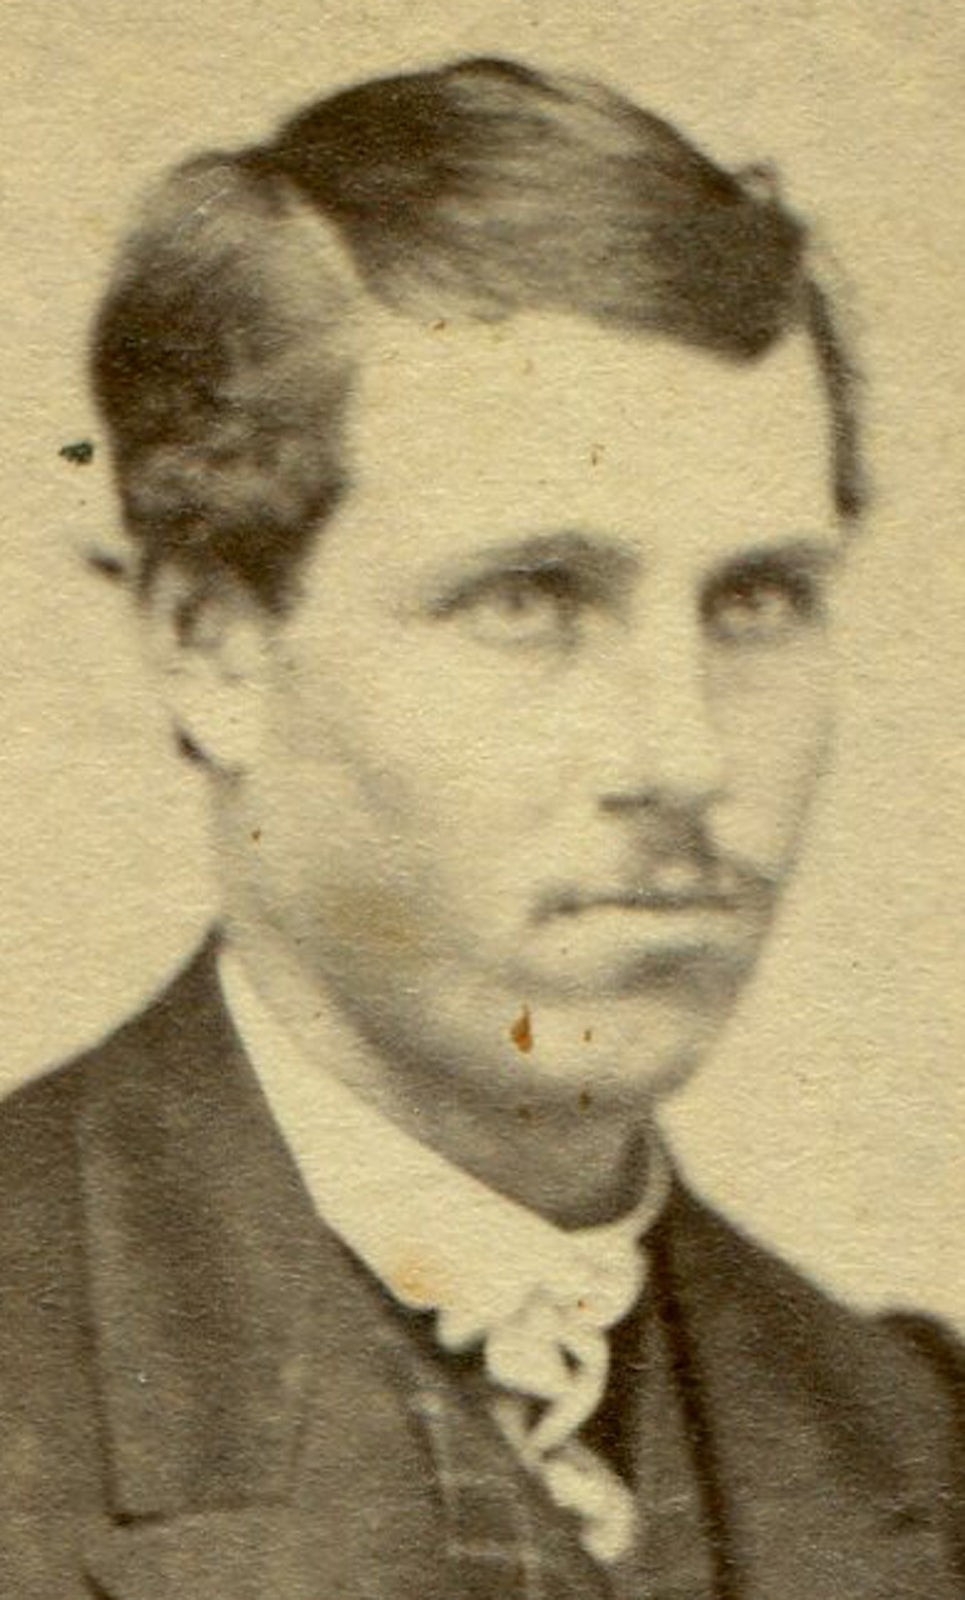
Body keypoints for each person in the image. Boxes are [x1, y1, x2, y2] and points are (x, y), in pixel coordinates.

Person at [1, 55, 961, 1599]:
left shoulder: (917, 1441)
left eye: (754, 601)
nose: (684, 753)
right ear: (210, 642)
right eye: (530, 601)